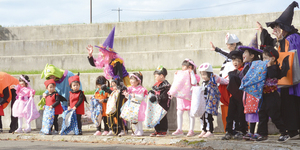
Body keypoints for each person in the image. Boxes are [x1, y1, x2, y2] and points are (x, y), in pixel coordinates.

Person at [257, 1, 300, 138]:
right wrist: (263, 32)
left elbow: (291, 55)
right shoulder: (284, 39)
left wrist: (281, 41)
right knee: (287, 104)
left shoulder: (293, 38)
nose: (274, 30)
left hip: (294, 78)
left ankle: (294, 129)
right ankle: (292, 130)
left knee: (294, 103)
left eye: (276, 27)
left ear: (284, 27)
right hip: (286, 78)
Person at [255, 46, 290, 142]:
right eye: (263, 58)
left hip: (272, 96)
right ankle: (263, 134)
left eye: (266, 58)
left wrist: (270, 66)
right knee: (262, 115)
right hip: (263, 96)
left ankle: (284, 133)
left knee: (275, 116)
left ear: (273, 59)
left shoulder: (274, 68)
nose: (264, 60)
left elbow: (272, 75)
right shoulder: (263, 68)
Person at [210, 33, 243, 132]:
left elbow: (228, 55)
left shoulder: (239, 54)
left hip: (234, 87)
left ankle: (238, 129)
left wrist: (217, 50)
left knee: (237, 110)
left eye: (230, 45)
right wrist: (217, 49)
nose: (235, 61)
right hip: (228, 86)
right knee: (231, 111)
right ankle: (231, 129)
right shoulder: (232, 57)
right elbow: (228, 55)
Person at [170, 59, 200, 137]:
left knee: (191, 114)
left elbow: (194, 82)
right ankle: (179, 129)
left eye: (184, 66)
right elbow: (176, 83)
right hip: (181, 97)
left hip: (189, 97)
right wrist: (175, 75)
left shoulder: (195, 75)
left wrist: (192, 73)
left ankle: (191, 130)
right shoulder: (180, 75)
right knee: (179, 112)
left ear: (189, 67)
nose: (182, 68)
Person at [198, 63, 229, 138]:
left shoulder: (213, 79)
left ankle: (209, 130)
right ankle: (203, 129)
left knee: (208, 116)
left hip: (210, 101)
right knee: (202, 116)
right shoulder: (203, 82)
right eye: (202, 74)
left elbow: (224, 81)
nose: (203, 77)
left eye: (205, 74)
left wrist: (216, 77)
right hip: (203, 101)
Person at [221, 50, 246, 140]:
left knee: (240, 114)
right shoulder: (232, 72)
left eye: (238, 61)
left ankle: (242, 131)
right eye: (234, 60)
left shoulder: (244, 71)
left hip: (241, 96)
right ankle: (229, 131)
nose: (235, 62)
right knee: (230, 114)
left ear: (242, 61)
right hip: (233, 96)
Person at [148, 65, 171, 137]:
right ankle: (157, 130)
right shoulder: (156, 85)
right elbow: (155, 92)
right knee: (156, 117)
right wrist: (151, 93)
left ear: (161, 76)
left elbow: (164, 96)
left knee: (162, 117)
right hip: (156, 104)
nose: (155, 77)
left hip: (163, 104)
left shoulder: (166, 85)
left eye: (156, 76)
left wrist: (156, 98)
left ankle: (164, 130)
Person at [122, 72, 148, 136]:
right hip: (132, 105)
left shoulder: (141, 89)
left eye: (133, 79)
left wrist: (134, 95)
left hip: (139, 106)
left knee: (138, 119)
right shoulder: (130, 88)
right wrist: (127, 95)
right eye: (130, 79)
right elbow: (129, 97)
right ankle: (136, 129)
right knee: (134, 119)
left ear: (138, 81)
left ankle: (140, 130)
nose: (131, 81)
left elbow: (141, 98)